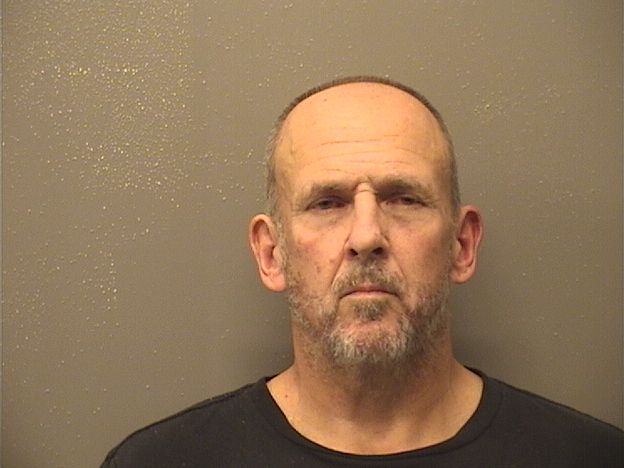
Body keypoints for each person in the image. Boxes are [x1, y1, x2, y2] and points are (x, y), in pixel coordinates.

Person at [102, 76, 623, 467]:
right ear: (271, 254)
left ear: (462, 245)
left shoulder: (590, 457)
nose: (367, 236)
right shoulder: (161, 462)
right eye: (327, 203)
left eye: (403, 199)